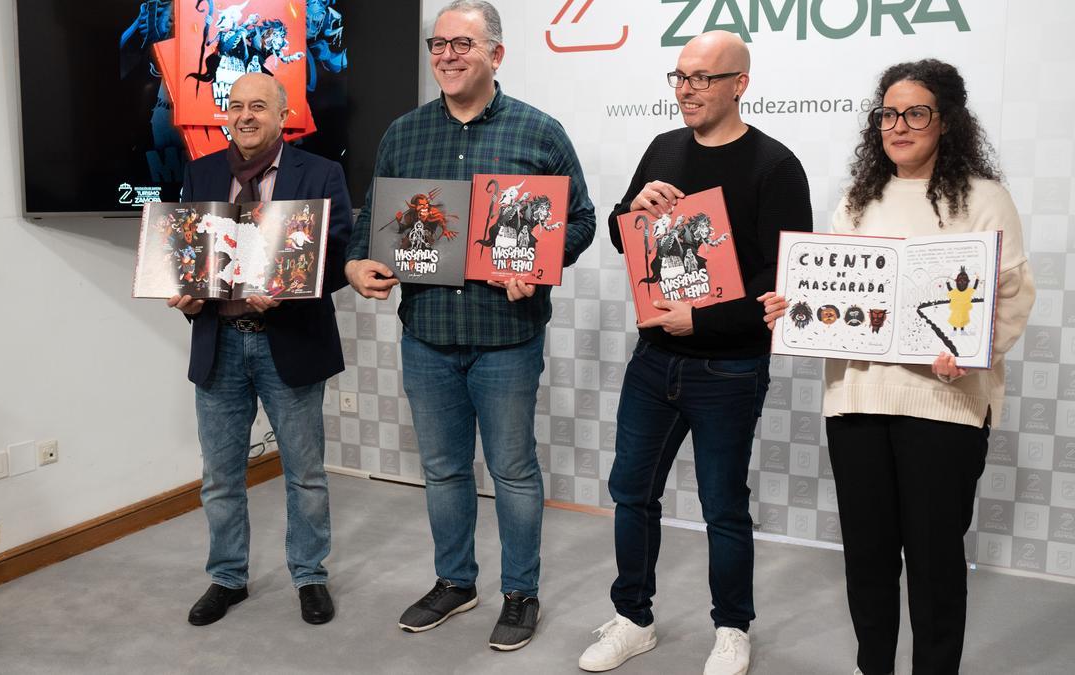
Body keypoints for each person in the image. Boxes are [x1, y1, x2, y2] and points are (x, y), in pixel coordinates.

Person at [760, 59, 1035, 675]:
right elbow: (833, 298)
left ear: (947, 122)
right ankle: (873, 666)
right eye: (888, 114)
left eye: (916, 113)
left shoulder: (986, 199)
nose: (899, 126)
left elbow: (1012, 294)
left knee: (936, 559)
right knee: (867, 555)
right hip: (856, 399)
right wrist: (795, 307)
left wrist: (974, 354)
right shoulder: (858, 200)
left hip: (947, 404)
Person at [344, 0, 596, 652]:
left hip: (506, 335)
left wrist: (541, 265)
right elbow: (374, 219)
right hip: (427, 330)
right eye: (438, 44)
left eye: (462, 43)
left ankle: (520, 592)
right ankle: (456, 582)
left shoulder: (538, 132)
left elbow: (582, 221)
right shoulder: (404, 133)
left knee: (512, 469)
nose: (447, 55)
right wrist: (358, 264)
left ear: (495, 55)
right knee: (444, 468)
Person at [577, 31, 811, 675]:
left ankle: (732, 628)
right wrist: (634, 209)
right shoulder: (663, 147)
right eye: (680, 76)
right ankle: (633, 617)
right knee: (631, 491)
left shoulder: (775, 166)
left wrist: (703, 317)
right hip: (653, 361)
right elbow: (627, 240)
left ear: (740, 83)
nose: (687, 89)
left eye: (703, 78)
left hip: (730, 367)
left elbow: (784, 285)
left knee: (722, 504)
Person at [168, 72, 353, 627]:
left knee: (305, 473)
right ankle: (227, 576)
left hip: (289, 344)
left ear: (282, 114)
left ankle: (310, 575)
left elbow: (340, 251)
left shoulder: (320, 172)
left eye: (258, 106)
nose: (245, 116)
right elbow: (189, 253)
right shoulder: (201, 172)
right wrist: (187, 292)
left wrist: (290, 290)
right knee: (221, 475)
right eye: (236, 106)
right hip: (219, 345)